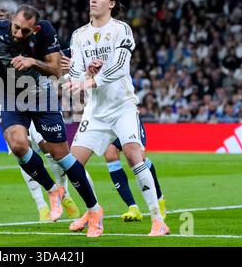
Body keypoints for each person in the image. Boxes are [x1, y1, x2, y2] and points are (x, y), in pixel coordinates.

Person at [0, 4, 103, 237]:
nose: (18, 34)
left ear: (34, 29)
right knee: (18, 145)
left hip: (41, 95)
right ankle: (52, 190)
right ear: (11, 21)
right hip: (10, 97)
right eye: (16, 28)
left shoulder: (45, 30)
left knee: (61, 156)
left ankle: (94, 210)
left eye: (25, 31)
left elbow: (56, 70)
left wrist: (33, 62)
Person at [66, 0, 170, 236]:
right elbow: (74, 69)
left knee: (135, 156)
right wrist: (85, 74)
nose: (93, 0)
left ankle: (158, 220)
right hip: (96, 110)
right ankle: (92, 211)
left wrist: (93, 80)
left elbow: (121, 66)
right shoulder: (79, 35)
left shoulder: (121, 29)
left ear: (111, 3)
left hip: (122, 106)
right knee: (72, 163)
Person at [0, 0, 80, 222]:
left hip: (39, 100)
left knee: (53, 151)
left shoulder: (30, 34)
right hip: (11, 102)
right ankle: (42, 204)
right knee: (20, 149)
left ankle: (65, 194)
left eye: (3, 10)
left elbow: (51, 61)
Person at [63, 53, 167, 222]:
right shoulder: (80, 49)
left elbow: (117, 69)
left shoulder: (112, 47)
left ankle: (159, 199)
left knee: (138, 158)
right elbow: (73, 82)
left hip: (121, 110)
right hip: (100, 116)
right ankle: (131, 207)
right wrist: (75, 71)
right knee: (109, 155)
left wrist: (91, 73)